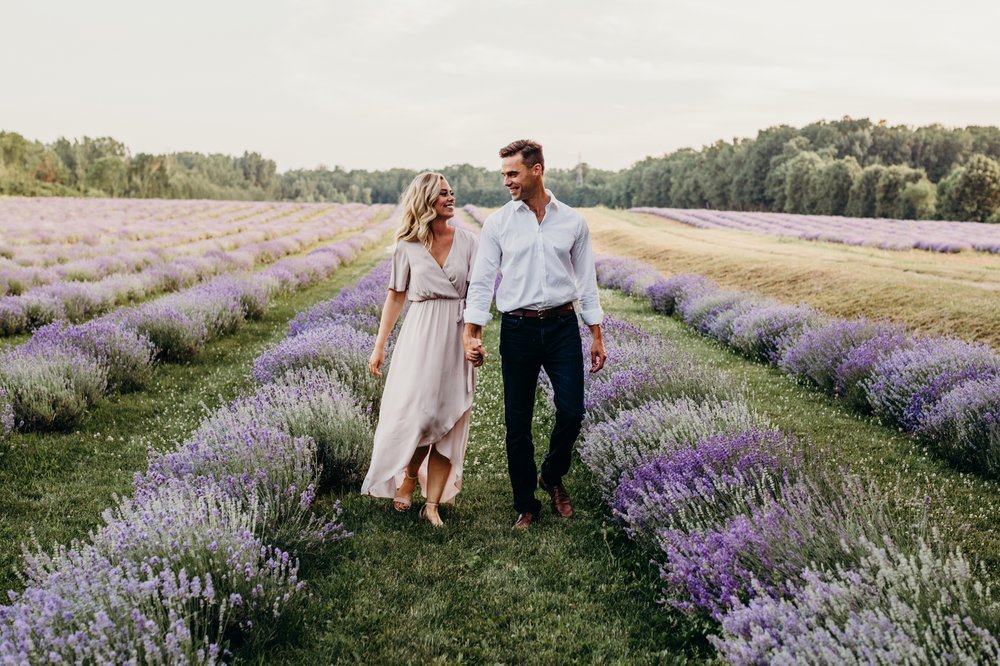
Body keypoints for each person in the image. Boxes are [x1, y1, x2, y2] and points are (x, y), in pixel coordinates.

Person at [463, 139, 606, 530]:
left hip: (561, 326)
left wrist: (596, 333)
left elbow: (586, 281)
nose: (507, 181)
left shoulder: (572, 222)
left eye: (513, 173)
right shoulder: (497, 224)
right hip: (518, 329)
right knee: (517, 422)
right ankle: (526, 503)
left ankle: (552, 474)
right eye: (504, 174)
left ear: (536, 170)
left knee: (573, 411)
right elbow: (480, 283)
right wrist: (471, 332)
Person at [362, 171, 483, 527]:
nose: (451, 197)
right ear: (427, 200)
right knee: (421, 413)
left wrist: (475, 340)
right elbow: (396, 296)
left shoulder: (470, 242)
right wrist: (379, 345)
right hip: (421, 333)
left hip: (458, 332)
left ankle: (432, 504)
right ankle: (411, 476)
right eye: (443, 193)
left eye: (451, 192)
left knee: (452, 418)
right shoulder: (407, 245)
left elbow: (477, 297)